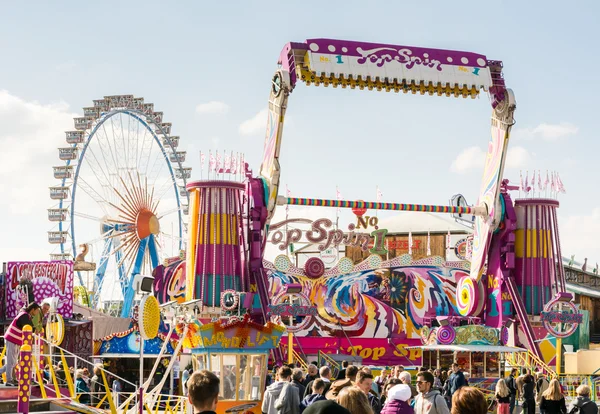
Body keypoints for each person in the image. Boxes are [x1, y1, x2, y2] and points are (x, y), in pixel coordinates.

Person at [0, 302, 41, 386]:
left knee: (13, 362)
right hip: (11, 338)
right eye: (37, 311)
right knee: (11, 361)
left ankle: (6, 376)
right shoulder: (24, 315)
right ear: (32, 309)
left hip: (15, 340)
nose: (37, 313)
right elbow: (29, 326)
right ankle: (9, 381)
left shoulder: (26, 315)